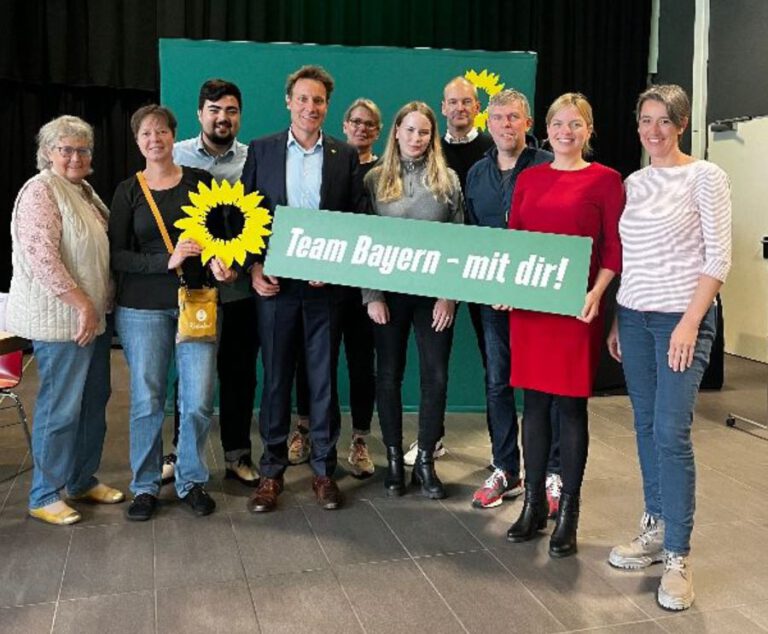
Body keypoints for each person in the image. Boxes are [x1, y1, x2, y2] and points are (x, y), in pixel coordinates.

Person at [607, 85, 731, 611]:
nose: (653, 130)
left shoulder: (706, 176)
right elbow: (630, 257)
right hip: (634, 318)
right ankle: (654, 528)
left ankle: (678, 555)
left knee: (670, 432)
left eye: (664, 120)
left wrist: (689, 322)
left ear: (680, 124)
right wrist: (618, 317)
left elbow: (719, 257)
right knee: (642, 425)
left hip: (682, 321)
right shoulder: (634, 183)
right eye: (645, 121)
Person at [505, 93, 624, 557]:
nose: (566, 132)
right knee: (533, 407)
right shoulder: (529, 178)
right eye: (558, 123)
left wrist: (597, 293)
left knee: (571, 410)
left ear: (588, 130)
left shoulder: (607, 180)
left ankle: (568, 514)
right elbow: (514, 240)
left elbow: (613, 248)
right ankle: (533, 505)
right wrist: (507, 287)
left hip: (578, 310)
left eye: (576, 124)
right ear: (547, 128)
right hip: (532, 310)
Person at [242, 65, 363, 513]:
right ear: (288, 101)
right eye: (303, 99)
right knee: (275, 380)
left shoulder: (344, 156)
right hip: (275, 287)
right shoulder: (263, 150)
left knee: (323, 380)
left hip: (325, 290)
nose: (311, 107)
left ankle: (323, 472)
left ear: (327, 107)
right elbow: (246, 215)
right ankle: (271, 473)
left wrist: (334, 266)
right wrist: (253, 266)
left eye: (319, 101)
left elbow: (355, 220)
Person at [110, 104, 236, 521]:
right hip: (142, 310)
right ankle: (144, 486)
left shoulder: (201, 182)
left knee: (198, 399)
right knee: (148, 399)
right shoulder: (129, 190)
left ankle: (190, 480)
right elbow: (117, 255)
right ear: (138, 141)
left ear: (173, 135)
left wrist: (224, 262)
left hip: (196, 303)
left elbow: (223, 234)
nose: (155, 139)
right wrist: (165, 259)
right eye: (146, 133)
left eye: (161, 131)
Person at [6, 115, 124, 525]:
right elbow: (43, 260)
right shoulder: (40, 192)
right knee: (61, 408)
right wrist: (83, 305)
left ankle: (80, 479)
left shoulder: (84, 191)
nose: (75, 156)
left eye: (82, 149)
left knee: (93, 402)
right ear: (48, 153)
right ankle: (44, 493)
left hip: (91, 320)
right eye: (66, 149)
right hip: (65, 322)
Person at [364, 101, 464, 500]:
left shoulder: (448, 180)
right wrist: (371, 296)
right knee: (388, 376)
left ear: (432, 136)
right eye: (409, 130)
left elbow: (461, 240)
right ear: (396, 133)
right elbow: (364, 241)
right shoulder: (374, 180)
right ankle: (392, 459)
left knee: (435, 377)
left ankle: (425, 460)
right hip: (387, 298)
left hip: (433, 299)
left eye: (424, 132)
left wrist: (449, 297)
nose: (416, 139)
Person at [464, 89, 553, 509]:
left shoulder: (549, 168)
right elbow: (472, 238)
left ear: (528, 124)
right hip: (491, 301)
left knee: (543, 385)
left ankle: (551, 473)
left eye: (513, 117)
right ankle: (506, 469)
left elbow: (555, 235)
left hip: (537, 299)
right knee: (497, 383)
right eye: (497, 118)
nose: (505, 125)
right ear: (488, 123)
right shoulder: (476, 174)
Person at [401, 76, 495, 468]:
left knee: (495, 360)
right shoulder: (429, 148)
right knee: (434, 363)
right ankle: (431, 440)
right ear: (443, 108)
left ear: (477, 107)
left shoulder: (493, 146)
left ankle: (502, 451)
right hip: (438, 275)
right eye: (452, 102)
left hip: (486, 267)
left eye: (467, 102)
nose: (459, 108)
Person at [172, 78, 259, 487]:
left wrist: (239, 264)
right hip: (193, 291)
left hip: (240, 290)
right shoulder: (176, 156)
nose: (223, 118)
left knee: (239, 374)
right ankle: (180, 453)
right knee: (189, 379)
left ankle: (238, 455)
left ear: (239, 115)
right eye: (215, 110)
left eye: (231, 110)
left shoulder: (253, 159)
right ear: (200, 114)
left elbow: (264, 221)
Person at [290, 98, 382, 478]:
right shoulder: (322, 162)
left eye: (370, 124)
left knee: (362, 365)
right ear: (344, 125)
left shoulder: (383, 172)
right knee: (309, 362)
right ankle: (304, 429)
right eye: (355, 121)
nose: (361, 128)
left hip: (363, 288)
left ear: (378, 131)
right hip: (319, 284)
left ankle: (359, 440)